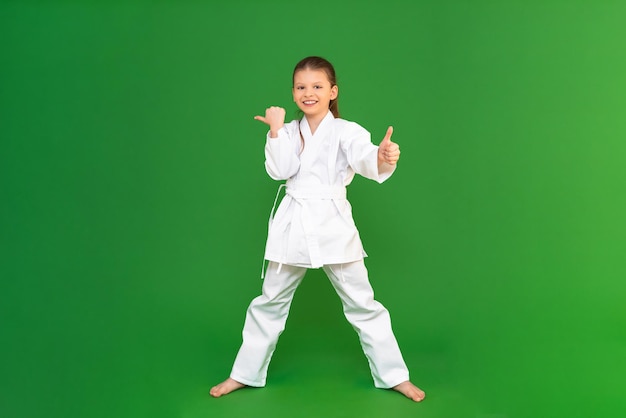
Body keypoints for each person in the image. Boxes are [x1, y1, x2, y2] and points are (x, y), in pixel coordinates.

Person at [210, 56, 425, 402]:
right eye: (301, 87)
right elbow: (280, 170)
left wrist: (384, 156)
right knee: (269, 301)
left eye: (317, 86)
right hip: (293, 224)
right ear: (293, 92)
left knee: (363, 303)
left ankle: (395, 376)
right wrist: (276, 129)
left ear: (332, 91)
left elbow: (365, 157)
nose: (308, 93)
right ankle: (244, 373)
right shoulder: (290, 131)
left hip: (333, 226)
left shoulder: (345, 131)